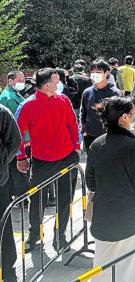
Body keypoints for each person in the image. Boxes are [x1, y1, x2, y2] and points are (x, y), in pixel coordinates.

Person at [86, 96, 135, 282]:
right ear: (124, 118)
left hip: (103, 214)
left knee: (101, 264)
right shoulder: (134, 146)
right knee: (125, 266)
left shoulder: (96, 144)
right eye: (133, 114)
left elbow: (91, 183)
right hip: (129, 215)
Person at [15, 68, 80, 252]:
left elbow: (72, 124)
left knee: (65, 200)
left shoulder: (63, 100)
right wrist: (21, 157)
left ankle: (60, 237)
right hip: (42, 161)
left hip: (67, 158)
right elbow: (17, 133)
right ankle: (34, 235)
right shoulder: (28, 105)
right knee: (37, 200)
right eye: (56, 80)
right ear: (45, 85)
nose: (59, 83)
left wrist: (76, 147)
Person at [0, 71, 30, 198]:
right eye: (19, 79)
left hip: (18, 142)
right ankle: (21, 198)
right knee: (19, 174)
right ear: (10, 81)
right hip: (14, 144)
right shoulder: (8, 98)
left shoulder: (15, 94)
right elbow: (14, 126)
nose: (22, 82)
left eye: (23, 79)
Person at [80, 59, 121, 150]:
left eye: (98, 72)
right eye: (93, 72)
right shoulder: (87, 92)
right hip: (90, 135)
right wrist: (84, 129)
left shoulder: (115, 93)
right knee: (91, 161)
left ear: (106, 73)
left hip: (109, 136)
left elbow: (119, 116)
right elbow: (83, 112)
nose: (95, 74)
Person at [0, 104, 21, 282]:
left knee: (3, 227)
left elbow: (14, 141)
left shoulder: (2, 113)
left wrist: (1, 163)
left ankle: (7, 270)